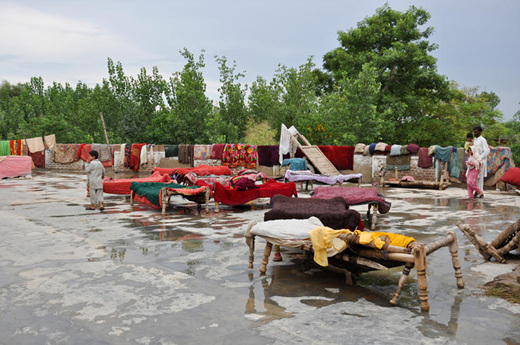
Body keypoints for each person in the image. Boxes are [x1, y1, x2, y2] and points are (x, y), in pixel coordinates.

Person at [473, 126, 490, 193]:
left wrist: (479, 158)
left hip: (481, 161)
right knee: (475, 176)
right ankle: (477, 191)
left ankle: (479, 192)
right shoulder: (475, 140)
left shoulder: (483, 140)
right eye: (474, 132)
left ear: (480, 132)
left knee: (479, 178)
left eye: (476, 132)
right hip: (475, 161)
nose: (475, 134)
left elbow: (486, 151)